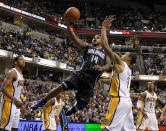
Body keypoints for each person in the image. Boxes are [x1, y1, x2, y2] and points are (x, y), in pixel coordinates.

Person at [31, 15, 111, 116]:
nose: (95, 38)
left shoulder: (106, 52)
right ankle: (42, 102)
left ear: (102, 41)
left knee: (83, 103)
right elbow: (75, 39)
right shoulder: (87, 46)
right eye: (94, 37)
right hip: (81, 74)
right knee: (60, 87)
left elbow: (108, 65)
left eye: (97, 37)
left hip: (91, 80)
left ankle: (74, 110)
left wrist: (102, 68)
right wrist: (69, 27)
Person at [100, 16, 136, 131]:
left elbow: (105, 46)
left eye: (126, 54)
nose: (123, 54)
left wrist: (103, 28)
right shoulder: (128, 71)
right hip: (127, 102)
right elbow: (114, 83)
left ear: (129, 59)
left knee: (106, 128)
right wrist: (100, 80)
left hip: (119, 100)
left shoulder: (121, 63)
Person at [0, 55, 26, 131]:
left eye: (24, 60)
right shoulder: (12, 72)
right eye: (21, 59)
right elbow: (3, 88)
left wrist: (22, 106)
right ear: (15, 62)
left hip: (16, 105)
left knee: (14, 128)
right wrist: (15, 101)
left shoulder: (21, 75)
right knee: (5, 128)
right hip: (8, 102)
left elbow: (18, 93)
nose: (23, 61)